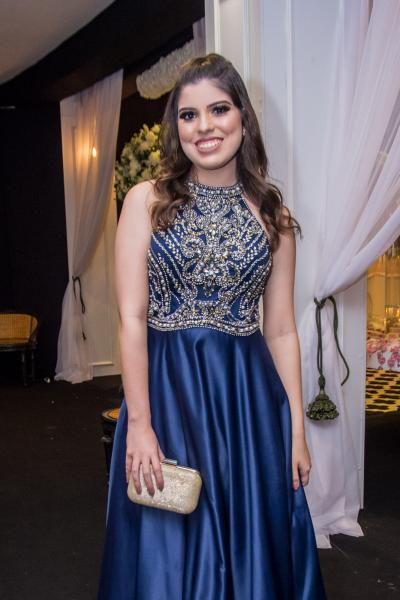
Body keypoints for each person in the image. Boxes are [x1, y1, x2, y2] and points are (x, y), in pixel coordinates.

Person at [98, 53, 327, 599]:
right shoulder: (146, 201)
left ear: (243, 117)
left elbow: (281, 331)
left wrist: (295, 430)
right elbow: (131, 318)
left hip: (247, 403)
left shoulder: (272, 215)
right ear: (175, 127)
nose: (204, 127)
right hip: (167, 396)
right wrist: (139, 424)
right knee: (172, 541)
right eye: (189, 114)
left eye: (219, 110)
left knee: (249, 541)